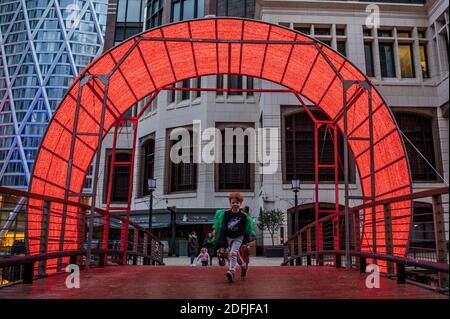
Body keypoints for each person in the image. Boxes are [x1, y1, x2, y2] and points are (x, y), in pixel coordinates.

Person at [212, 192, 256, 282]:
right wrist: (215, 230)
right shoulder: (225, 214)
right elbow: (218, 223)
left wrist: (251, 234)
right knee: (235, 254)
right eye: (233, 203)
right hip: (228, 237)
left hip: (238, 237)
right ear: (230, 203)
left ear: (240, 203)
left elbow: (249, 226)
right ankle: (243, 266)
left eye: (237, 203)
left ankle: (231, 271)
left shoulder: (244, 216)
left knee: (232, 253)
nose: (235, 204)